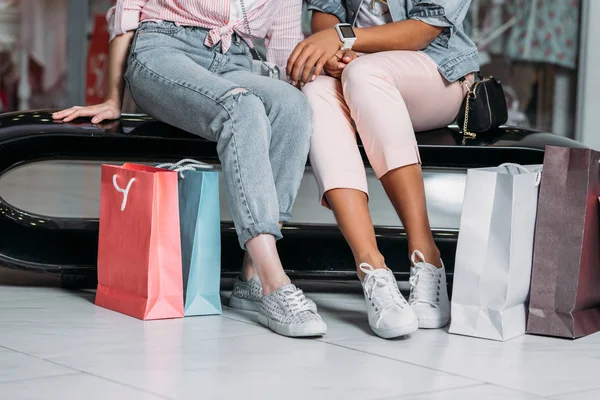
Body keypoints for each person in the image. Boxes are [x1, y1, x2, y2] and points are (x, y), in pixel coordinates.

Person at [53, 0, 326, 338]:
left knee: (293, 107)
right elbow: (127, 9)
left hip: (235, 61)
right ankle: (275, 282)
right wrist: (113, 96)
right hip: (164, 50)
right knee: (241, 108)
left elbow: (284, 50)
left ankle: (253, 278)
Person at [287, 0, 478, 339]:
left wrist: (342, 39)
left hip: (435, 73)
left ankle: (426, 256)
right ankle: (373, 270)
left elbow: (424, 29)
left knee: (365, 74)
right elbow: (325, 15)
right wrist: (330, 52)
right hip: (351, 65)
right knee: (314, 89)